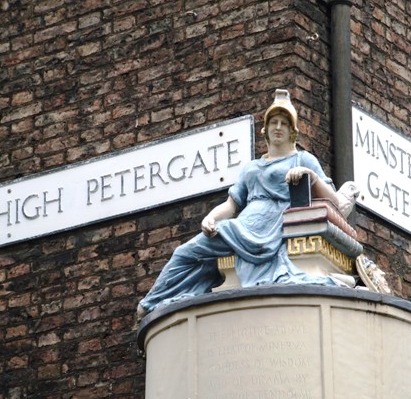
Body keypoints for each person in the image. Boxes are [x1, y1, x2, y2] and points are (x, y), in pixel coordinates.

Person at [137, 89, 341, 317]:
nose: (278, 127)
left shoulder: (303, 159)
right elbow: (231, 205)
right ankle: (152, 303)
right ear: (265, 129)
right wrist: (211, 218)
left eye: (284, 123)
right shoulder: (251, 167)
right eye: (274, 122)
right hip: (241, 226)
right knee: (185, 252)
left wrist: (310, 177)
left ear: (292, 130)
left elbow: (334, 201)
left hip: (272, 227)